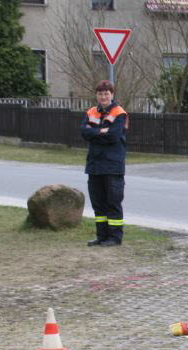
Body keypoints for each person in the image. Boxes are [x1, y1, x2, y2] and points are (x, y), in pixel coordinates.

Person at [80, 80, 128, 247]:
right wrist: (101, 131)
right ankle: (101, 236)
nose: (103, 96)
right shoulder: (91, 112)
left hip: (113, 165)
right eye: (100, 93)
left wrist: (94, 133)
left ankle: (115, 237)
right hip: (94, 164)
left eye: (106, 93)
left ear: (112, 94)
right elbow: (83, 132)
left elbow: (113, 136)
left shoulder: (119, 113)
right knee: (98, 203)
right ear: (97, 95)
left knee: (113, 202)